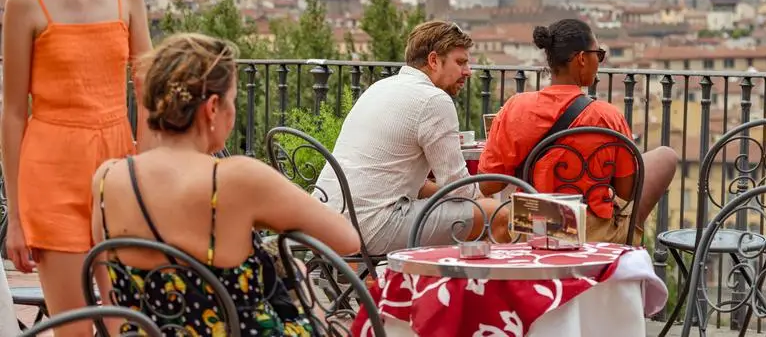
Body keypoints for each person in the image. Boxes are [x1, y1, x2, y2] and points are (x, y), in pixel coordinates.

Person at [91, 33, 361, 336]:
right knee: (299, 280)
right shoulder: (235, 179)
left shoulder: (107, 178)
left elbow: (109, 294)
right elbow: (347, 239)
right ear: (213, 107)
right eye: (233, 100)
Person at [1, 0, 154, 329]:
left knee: (127, 322)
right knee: (73, 327)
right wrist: (18, 217)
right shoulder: (25, 3)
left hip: (117, 172)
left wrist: (146, 172)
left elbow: (146, 92)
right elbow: (11, 112)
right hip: (52, 174)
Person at [478, 19, 678, 245]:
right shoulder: (607, 116)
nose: (600, 61)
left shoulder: (515, 108)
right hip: (591, 233)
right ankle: (627, 247)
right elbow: (625, 191)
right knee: (665, 157)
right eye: (599, 54)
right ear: (582, 58)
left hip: (532, 228)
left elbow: (489, 185)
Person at [316, 20, 506, 254]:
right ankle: (470, 289)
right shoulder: (433, 100)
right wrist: (489, 198)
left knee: (477, 209)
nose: (468, 71)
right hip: (371, 227)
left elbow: (417, 184)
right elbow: (459, 191)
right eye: (461, 62)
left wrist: (461, 195)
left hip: (325, 220)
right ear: (434, 60)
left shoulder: (380, 87)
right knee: (498, 215)